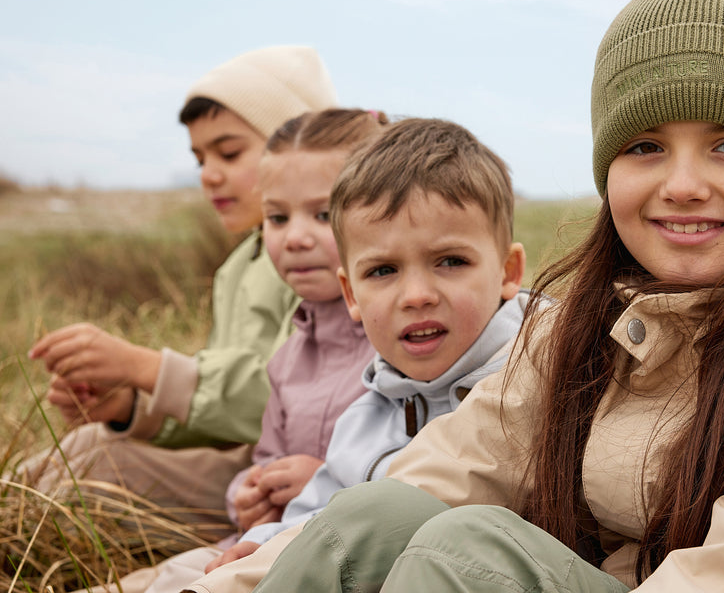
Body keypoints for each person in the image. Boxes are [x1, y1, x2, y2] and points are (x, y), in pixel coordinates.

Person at [228, 0, 724, 593]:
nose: (684, 184)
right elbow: (442, 469)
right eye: (645, 146)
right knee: (376, 514)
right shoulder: (588, 325)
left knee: (467, 555)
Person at [186, 117, 530, 593]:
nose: (416, 295)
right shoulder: (367, 413)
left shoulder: (534, 378)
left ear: (509, 270)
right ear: (350, 293)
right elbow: (315, 512)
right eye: (383, 270)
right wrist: (266, 543)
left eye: (450, 262)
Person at [23, 45, 337, 529]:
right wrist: (130, 406)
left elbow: (284, 399)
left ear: (298, 147)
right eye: (200, 157)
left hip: (285, 483)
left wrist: (144, 367)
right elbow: (226, 423)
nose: (208, 173)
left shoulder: (317, 261)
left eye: (229, 152)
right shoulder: (237, 266)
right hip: (243, 471)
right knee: (91, 446)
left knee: (95, 469)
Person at [78, 107, 388, 593]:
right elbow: (262, 455)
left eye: (324, 214)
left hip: (321, 557)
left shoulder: (399, 343)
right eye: (277, 217)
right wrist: (244, 495)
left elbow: (419, 471)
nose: (296, 236)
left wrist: (325, 482)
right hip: (258, 540)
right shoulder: (291, 355)